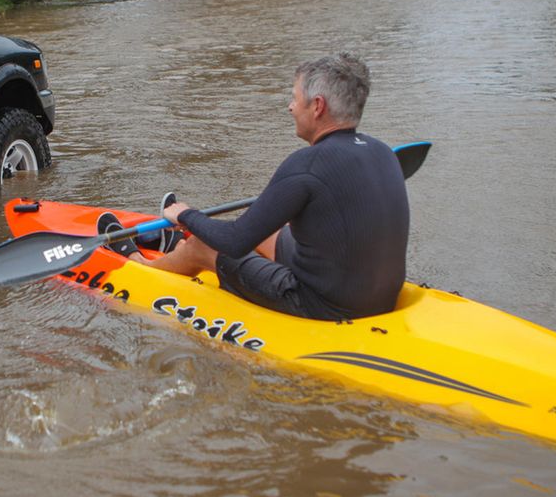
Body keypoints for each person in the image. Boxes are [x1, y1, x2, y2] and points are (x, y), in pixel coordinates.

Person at [102, 53, 408, 321]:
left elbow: (235, 242)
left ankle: (143, 261)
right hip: (378, 297)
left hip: (321, 305)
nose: (290, 107)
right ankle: (174, 247)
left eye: (294, 98)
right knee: (266, 224)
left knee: (203, 245)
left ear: (317, 106)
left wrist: (185, 215)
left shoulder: (307, 164)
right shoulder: (382, 152)